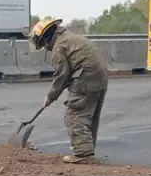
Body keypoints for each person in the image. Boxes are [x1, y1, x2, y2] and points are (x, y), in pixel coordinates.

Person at [31, 16, 109, 163]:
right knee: (89, 116)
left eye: (43, 44)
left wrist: (50, 96)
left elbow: (61, 76)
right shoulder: (68, 38)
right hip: (99, 76)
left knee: (75, 114)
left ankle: (83, 154)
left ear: (46, 39)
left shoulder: (59, 47)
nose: (45, 48)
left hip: (86, 77)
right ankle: (86, 149)